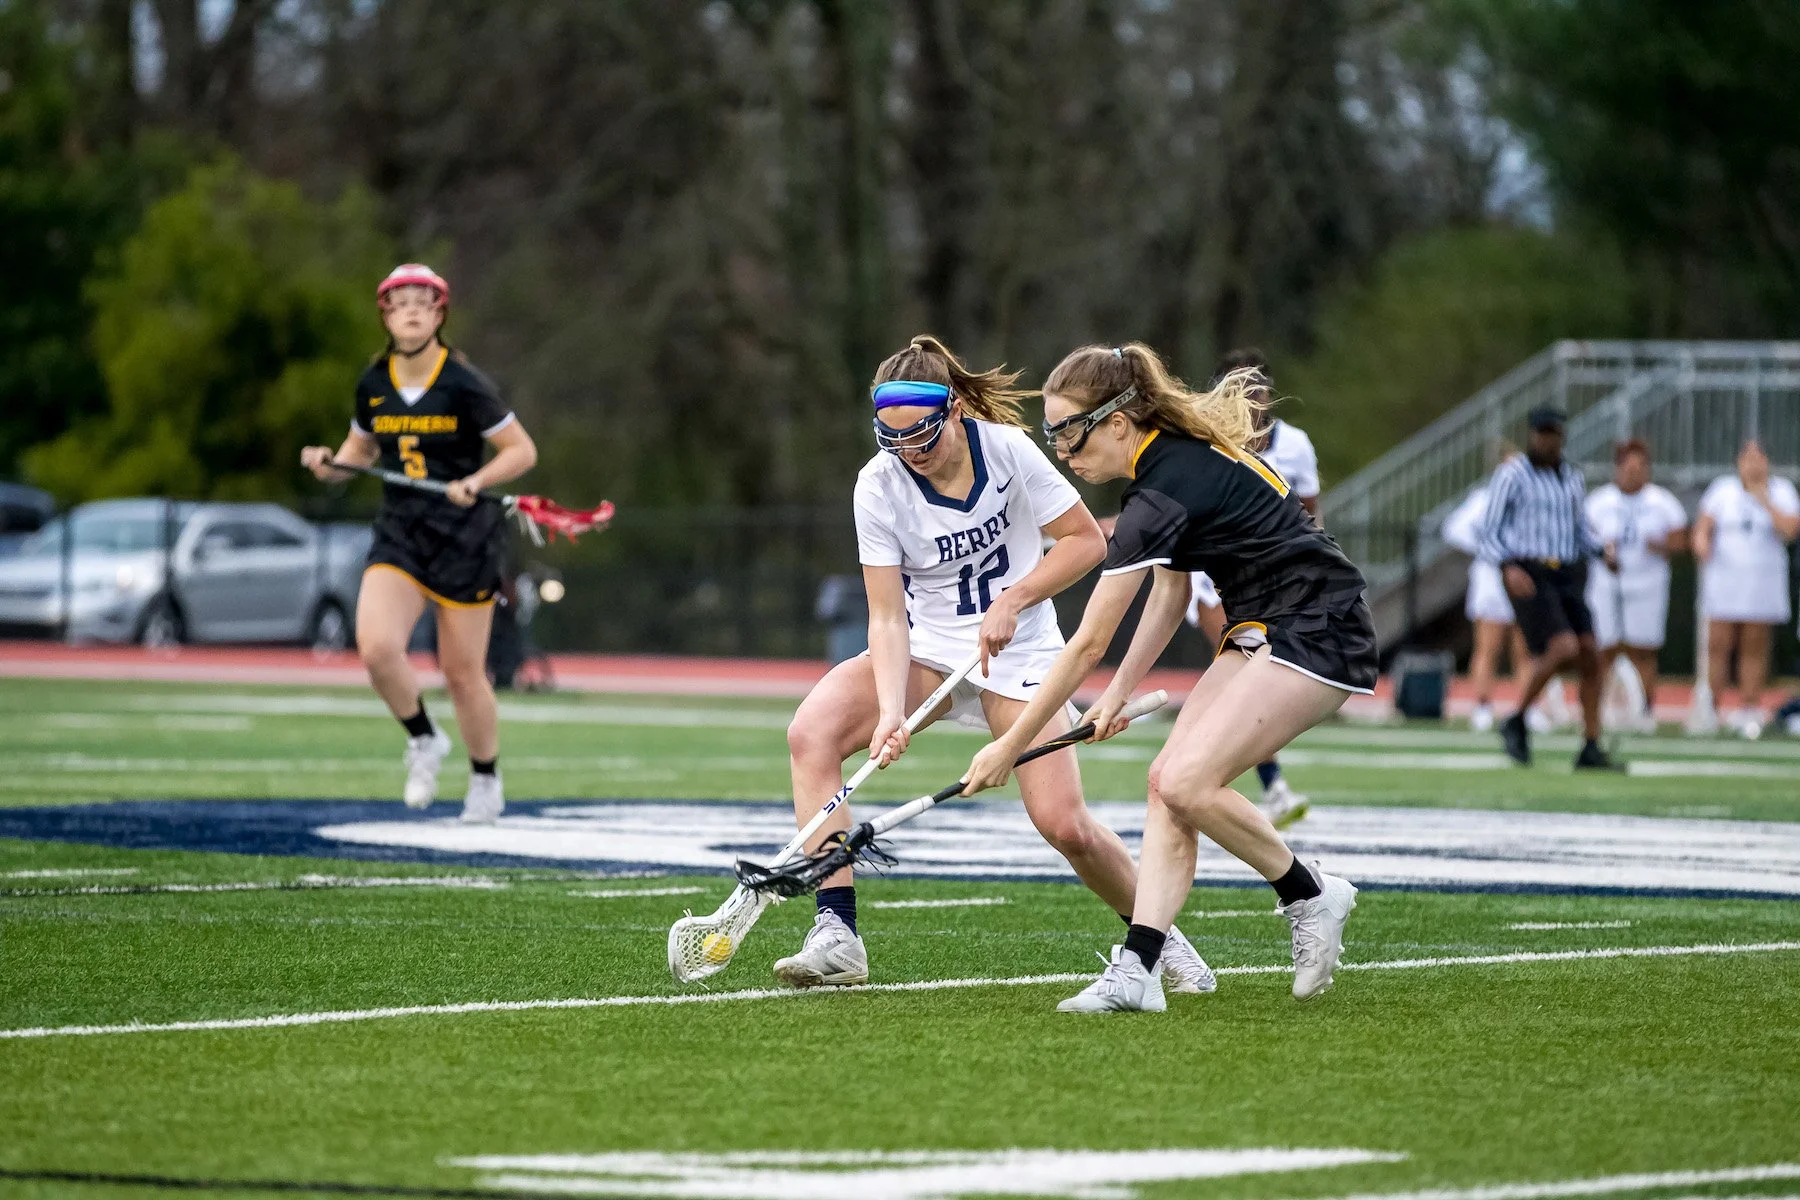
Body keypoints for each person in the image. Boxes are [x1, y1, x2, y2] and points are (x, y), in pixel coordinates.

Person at [775, 335, 1219, 994]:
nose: (910, 456)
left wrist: (1017, 596)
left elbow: (1085, 541)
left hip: (1022, 651)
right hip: (926, 648)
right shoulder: (878, 485)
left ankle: (1156, 936)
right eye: (893, 441)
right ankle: (837, 934)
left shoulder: (1008, 451)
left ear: (953, 410)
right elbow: (888, 616)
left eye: (922, 438)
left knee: (1064, 824)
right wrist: (894, 711)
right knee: (810, 734)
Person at [962, 342, 1372, 1014]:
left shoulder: (1160, 491)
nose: (1063, 451)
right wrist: (1117, 696)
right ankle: (1140, 973)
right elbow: (1172, 594)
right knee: (1165, 784)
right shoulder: (1168, 464)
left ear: (1117, 422)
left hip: (1320, 628)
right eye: (1053, 433)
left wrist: (1008, 746)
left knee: (1186, 782)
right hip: (1261, 626)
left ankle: (1309, 892)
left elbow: (1089, 640)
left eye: (1069, 431)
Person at [301, 264, 538, 822]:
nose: (410, 310)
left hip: (464, 539)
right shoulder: (373, 384)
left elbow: (520, 451)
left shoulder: (463, 383)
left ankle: (485, 776)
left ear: (438, 315)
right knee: (377, 648)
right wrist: (327, 465)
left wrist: (476, 482)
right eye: (399, 302)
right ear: (385, 314)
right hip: (401, 535)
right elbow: (358, 454)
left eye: (422, 302)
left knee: (462, 674)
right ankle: (423, 738)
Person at [1184, 349, 1313, 827]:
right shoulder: (1203, 443)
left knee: (1255, 680)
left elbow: (1310, 512)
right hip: (1213, 579)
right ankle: (1267, 783)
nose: (1254, 401)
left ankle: (1206, 772)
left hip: (1273, 577)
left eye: (1259, 390)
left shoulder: (1295, 444)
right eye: (1242, 390)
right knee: (1242, 673)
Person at [1477, 406, 1620, 770]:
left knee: (1590, 653)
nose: (1545, 440)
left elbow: (1579, 528)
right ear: (1531, 435)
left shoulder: (1571, 477)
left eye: (1552, 433)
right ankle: (1518, 716)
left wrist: (1603, 550)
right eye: (1540, 433)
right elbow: (1489, 529)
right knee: (1563, 645)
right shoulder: (1513, 475)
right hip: (1530, 570)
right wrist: (1508, 566)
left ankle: (1590, 743)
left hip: (1567, 571)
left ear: (1562, 436)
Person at [1441, 452, 1562, 733]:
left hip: (1525, 579)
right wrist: (1486, 548)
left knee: (1526, 648)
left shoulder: (1536, 504)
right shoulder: (1484, 500)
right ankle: (1482, 706)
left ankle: (1527, 708)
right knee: (1488, 646)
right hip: (1491, 579)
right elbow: (1454, 529)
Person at [1692, 439, 1800, 738]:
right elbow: (1703, 526)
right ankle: (1710, 707)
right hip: (1724, 581)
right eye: (1747, 458)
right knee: (1719, 645)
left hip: (1761, 582)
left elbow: (1790, 529)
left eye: (1758, 458)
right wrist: (1701, 543)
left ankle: (1750, 707)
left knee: (1755, 645)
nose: (1753, 464)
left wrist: (1763, 498)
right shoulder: (1722, 490)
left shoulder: (1782, 491)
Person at [1584, 439, 1688, 732]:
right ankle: (1600, 707)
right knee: (1604, 647)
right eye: (1629, 467)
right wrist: (1603, 551)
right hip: (1606, 583)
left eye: (1640, 467)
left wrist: (1658, 544)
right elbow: (1583, 537)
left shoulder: (1662, 501)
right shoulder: (1599, 501)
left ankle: (1644, 709)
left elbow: (1681, 541)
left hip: (1647, 583)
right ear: (1617, 469)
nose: (1634, 473)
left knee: (1643, 648)